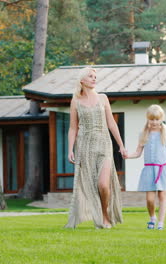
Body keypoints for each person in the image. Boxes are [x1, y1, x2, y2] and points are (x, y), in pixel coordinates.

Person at [65, 67, 126, 229]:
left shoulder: (103, 98)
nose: (94, 79)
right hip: (85, 147)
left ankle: (105, 215)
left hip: (104, 144)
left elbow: (111, 123)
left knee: (103, 184)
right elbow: (73, 128)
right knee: (92, 185)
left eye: (95, 76)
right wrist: (70, 149)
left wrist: (120, 145)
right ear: (82, 81)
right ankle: (100, 217)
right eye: (90, 76)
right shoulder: (75, 102)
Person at [126, 105, 166, 230]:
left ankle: (160, 223)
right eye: (151, 119)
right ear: (147, 119)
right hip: (149, 169)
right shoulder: (144, 134)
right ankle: (152, 217)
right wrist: (128, 156)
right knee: (150, 199)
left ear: (161, 119)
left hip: (163, 168)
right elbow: (138, 153)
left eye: (157, 119)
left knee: (162, 196)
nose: (154, 122)